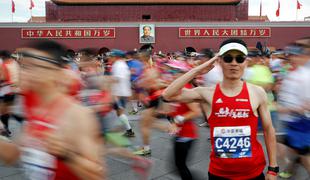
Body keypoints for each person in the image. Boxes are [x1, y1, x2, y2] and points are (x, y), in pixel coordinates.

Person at [162, 38, 278, 180]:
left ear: (246, 63)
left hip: (253, 173)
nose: (234, 63)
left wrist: (273, 169)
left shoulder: (257, 92)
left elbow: (268, 129)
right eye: (228, 58)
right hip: (219, 174)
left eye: (239, 59)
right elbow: (167, 95)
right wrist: (198, 69)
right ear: (219, 62)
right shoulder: (206, 93)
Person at [0, 40, 105, 180]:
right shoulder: (33, 107)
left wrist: (67, 154)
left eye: (34, 66)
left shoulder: (77, 115)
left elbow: (97, 175)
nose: (24, 72)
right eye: (24, 66)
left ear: (55, 72)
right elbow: (12, 155)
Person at [108, 49, 135, 137]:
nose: (109, 58)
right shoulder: (120, 64)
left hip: (119, 93)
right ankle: (128, 130)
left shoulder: (119, 65)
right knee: (118, 112)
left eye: (111, 56)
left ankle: (129, 130)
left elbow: (118, 78)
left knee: (119, 112)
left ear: (116, 57)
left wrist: (105, 80)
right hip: (120, 92)